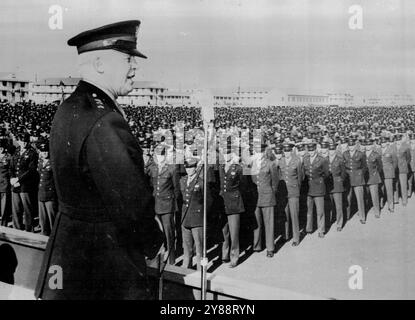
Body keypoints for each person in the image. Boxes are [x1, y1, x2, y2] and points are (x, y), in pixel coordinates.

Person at [35, 20, 164, 300]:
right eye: (128, 58)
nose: (135, 67)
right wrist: (155, 243)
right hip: (105, 265)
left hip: (69, 255)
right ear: (100, 64)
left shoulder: (68, 108)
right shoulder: (105, 120)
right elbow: (131, 201)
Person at [147, 145, 181, 265]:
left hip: (167, 205)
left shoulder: (172, 169)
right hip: (156, 204)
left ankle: (171, 259)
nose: (160, 157)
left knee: (169, 233)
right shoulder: (153, 168)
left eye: (162, 155)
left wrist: (173, 204)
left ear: (165, 155)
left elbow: (177, 189)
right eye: (157, 155)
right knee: (156, 232)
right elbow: (151, 185)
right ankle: (157, 256)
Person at [219, 144, 244, 268]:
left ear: (232, 154)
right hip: (223, 202)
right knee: (225, 231)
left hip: (234, 202)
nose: (226, 155)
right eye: (224, 153)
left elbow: (242, 185)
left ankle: (234, 256)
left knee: (234, 232)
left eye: (228, 153)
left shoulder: (238, 168)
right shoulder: (221, 167)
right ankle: (225, 254)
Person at [251, 142, 279, 257]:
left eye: (261, 151)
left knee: (269, 223)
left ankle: (270, 248)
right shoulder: (252, 164)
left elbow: (275, 182)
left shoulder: (270, 164)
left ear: (264, 152)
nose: (259, 153)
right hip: (255, 197)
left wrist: (271, 193)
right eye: (257, 151)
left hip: (267, 196)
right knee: (256, 223)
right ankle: (257, 245)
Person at [10, 132, 38, 232]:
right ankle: (16, 228)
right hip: (15, 185)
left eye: (26, 141)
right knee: (16, 208)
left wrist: (18, 179)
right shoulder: (17, 151)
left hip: (25, 185)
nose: (24, 143)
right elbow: (12, 167)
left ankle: (28, 229)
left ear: (28, 142)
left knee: (27, 209)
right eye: (22, 141)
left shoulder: (32, 153)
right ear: (19, 141)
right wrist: (12, 178)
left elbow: (31, 170)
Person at [277, 143, 303, 246]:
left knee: (294, 215)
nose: (287, 153)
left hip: (293, 191)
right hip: (284, 192)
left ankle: (296, 237)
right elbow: (279, 176)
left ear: (291, 151)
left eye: (288, 151)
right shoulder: (281, 161)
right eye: (285, 151)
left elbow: (300, 177)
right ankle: (286, 235)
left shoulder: (297, 161)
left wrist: (296, 189)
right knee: (285, 214)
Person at [180, 157, 204, 269]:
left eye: (191, 168)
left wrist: (201, 214)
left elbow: (207, 201)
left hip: (197, 218)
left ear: (195, 168)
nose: (189, 170)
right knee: (187, 246)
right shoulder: (183, 180)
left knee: (199, 247)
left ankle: (201, 269)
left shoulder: (201, 182)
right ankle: (186, 267)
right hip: (185, 217)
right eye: (187, 168)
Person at [304, 141, 329, 237]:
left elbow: (326, 174)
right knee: (309, 209)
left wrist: (320, 180)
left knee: (320, 211)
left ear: (315, 150)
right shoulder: (306, 159)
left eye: (312, 150)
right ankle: (309, 228)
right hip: (309, 187)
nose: (311, 152)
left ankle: (321, 230)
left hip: (318, 187)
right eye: (309, 150)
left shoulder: (322, 160)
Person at [344, 137, 367, 224]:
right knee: (347, 198)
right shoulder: (345, 154)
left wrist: (360, 173)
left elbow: (364, 166)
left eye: (352, 145)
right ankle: (347, 216)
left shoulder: (360, 154)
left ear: (355, 145)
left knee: (360, 199)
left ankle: (362, 217)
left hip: (358, 178)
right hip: (348, 178)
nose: (351, 147)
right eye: (349, 146)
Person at [36, 140, 57, 236]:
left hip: (50, 194)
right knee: (43, 220)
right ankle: (44, 235)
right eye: (42, 151)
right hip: (41, 193)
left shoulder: (53, 162)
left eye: (46, 151)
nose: (44, 153)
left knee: (52, 219)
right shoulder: (40, 162)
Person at [327, 141, 346, 231]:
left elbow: (343, 173)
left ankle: (339, 223)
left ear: (335, 150)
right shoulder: (325, 160)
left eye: (333, 150)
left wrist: (339, 180)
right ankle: (329, 221)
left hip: (337, 184)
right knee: (329, 205)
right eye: (329, 150)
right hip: (328, 185)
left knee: (338, 206)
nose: (331, 152)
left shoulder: (340, 159)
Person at [363, 137, 383, 218]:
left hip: (373, 177)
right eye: (366, 145)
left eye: (369, 145)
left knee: (375, 196)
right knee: (365, 196)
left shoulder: (376, 154)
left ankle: (376, 211)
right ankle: (365, 211)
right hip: (364, 178)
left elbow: (380, 166)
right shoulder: (362, 154)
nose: (367, 147)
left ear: (372, 146)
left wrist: (376, 173)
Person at [0, 139, 11, 226]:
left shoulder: (8, 157)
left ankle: (4, 223)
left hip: (4, 184)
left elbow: (11, 170)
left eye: (1, 147)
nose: (0, 149)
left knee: (4, 206)